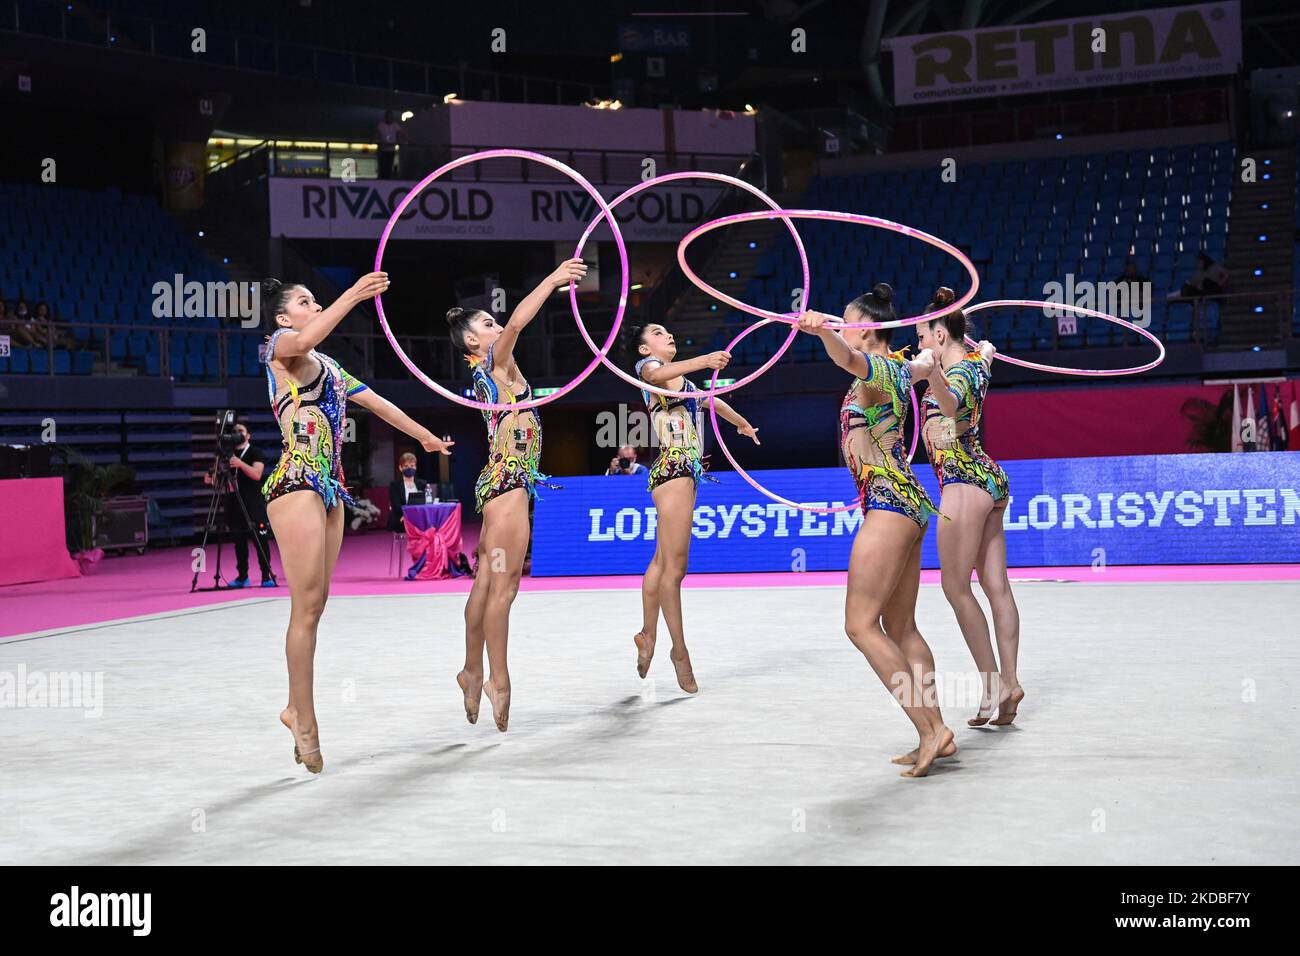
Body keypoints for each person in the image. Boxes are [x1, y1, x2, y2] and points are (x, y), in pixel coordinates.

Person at [261, 273, 453, 773]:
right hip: (297, 479)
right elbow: (305, 339)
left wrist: (427, 438)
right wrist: (353, 295)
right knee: (304, 606)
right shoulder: (280, 346)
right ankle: (303, 717)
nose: (314, 305)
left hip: (331, 487)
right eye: (304, 302)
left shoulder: (330, 366)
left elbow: (379, 405)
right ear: (283, 317)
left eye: (315, 299)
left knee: (317, 605)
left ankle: (292, 705)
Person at [797, 283, 955, 777]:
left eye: (847, 321)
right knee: (900, 627)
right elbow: (861, 361)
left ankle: (930, 729)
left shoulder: (879, 367)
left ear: (867, 329)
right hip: (902, 501)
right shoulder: (894, 368)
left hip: (888, 503)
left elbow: (847, 359)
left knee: (860, 625)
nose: (842, 326)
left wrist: (822, 332)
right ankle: (936, 729)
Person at [450, 257, 588, 733]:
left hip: (501, 485)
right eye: (487, 324)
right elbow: (517, 323)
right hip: (508, 487)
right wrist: (550, 279)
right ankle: (498, 680)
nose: (497, 327)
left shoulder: (498, 370)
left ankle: (471, 670)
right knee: (503, 589)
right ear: (473, 341)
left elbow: (511, 326)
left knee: (486, 584)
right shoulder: (494, 361)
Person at [628, 322, 758, 695]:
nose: (669, 334)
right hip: (674, 469)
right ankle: (679, 652)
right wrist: (702, 360)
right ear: (643, 349)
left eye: (670, 331)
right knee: (675, 569)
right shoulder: (649, 371)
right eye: (658, 332)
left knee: (660, 562)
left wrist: (742, 425)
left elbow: (712, 400)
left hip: (684, 472)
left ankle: (647, 634)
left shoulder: (681, 384)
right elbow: (661, 372)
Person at [917, 286, 1023, 727]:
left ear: (940, 336)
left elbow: (953, 403)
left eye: (923, 336)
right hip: (989, 482)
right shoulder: (977, 364)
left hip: (963, 483)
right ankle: (1011, 683)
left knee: (955, 588)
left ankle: (993, 685)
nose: (920, 344)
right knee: (995, 585)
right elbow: (977, 367)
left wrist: (930, 375)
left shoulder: (957, 374)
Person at [203, 418, 276, 587]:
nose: (237, 434)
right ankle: (242, 576)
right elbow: (215, 479)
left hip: (253, 503)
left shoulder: (255, 452)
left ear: (248, 435)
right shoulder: (225, 455)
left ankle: (266, 575)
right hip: (233, 503)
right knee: (239, 541)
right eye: (234, 431)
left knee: (260, 540)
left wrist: (240, 463)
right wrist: (210, 477)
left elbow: (257, 474)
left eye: (241, 431)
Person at [388, 451, 431, 531]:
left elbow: (427, 502)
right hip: (401, 517)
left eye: (412, 466)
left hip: (420, 517)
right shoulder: (394, 485)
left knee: (431, 525)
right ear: (400, 468)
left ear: (415, 467)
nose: (410, 468)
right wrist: (408, 515)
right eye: (406, 466)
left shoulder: (422, 483)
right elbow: (396, 505)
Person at [376, 110, 406, 180]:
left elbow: (401, 134)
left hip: (391, 150)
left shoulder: (395, 125)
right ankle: (381, 178)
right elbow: (377, 135)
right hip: (382, 149)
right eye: (388, 116)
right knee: (382, 166)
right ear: (385, 117)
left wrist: (409, 141)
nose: (389, 118)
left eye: (390, 117)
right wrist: (374, 141)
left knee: (389, 166)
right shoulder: (381, 125)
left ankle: (387, 179)